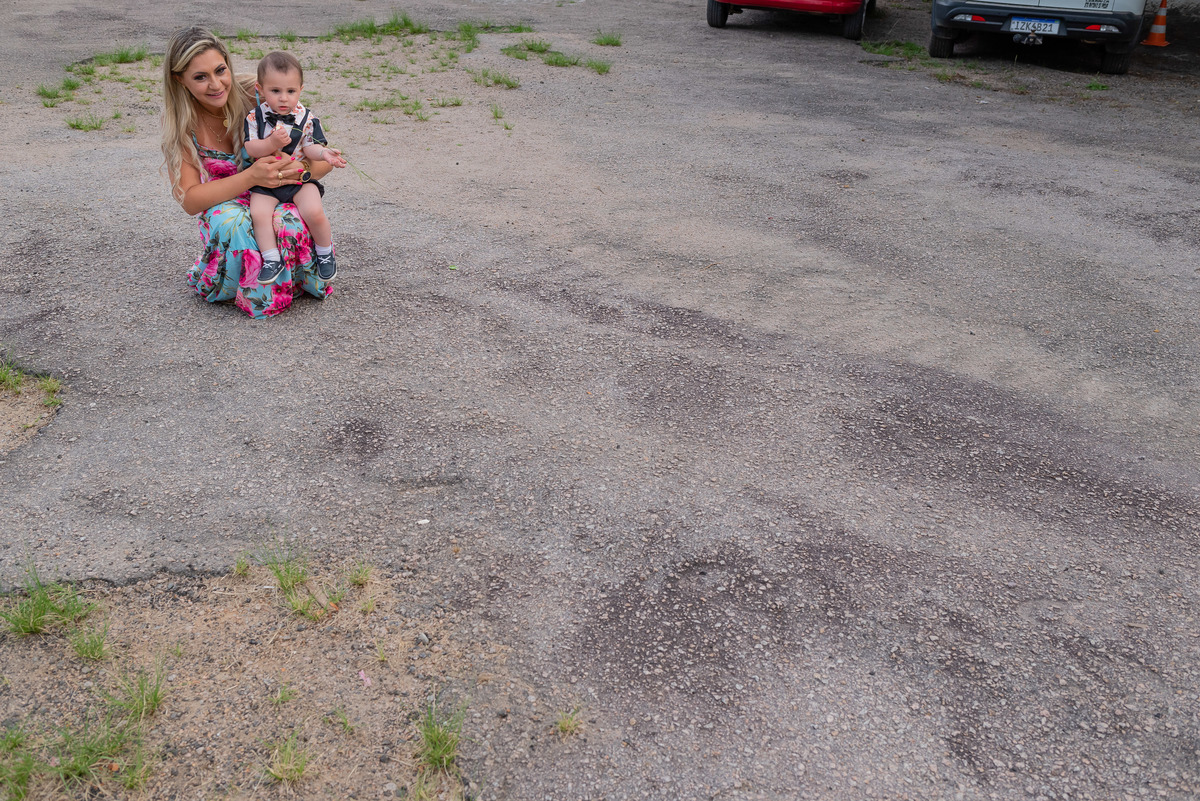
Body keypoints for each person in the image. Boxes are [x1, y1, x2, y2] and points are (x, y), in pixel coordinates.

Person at [161, 26, 335, 318]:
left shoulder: (259, 95)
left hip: (275, 188)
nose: (216, 85)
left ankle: (296, 283)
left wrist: (297, 170)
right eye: (200, 77)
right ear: (180, 80)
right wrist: (251, 177)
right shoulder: (180, 122)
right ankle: (236, 289)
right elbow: (190, 201)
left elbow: (322, 158)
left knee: (289, 220)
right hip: (224, 200)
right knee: (236, 223)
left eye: (220, 70)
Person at [245, 51, 346, 285]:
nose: (283, 98)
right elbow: (250, 148)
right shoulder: (254, 117)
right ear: (260, 89)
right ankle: (271, 258)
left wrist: (325, 154)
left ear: (300, 89)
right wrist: (270, 143)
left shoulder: (307, 118)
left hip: (299, 178)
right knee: (259, 214)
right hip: (266, 180)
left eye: (290, 91)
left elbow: (310, 147)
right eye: (275, 91)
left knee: (314, 211)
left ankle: (324, 251)